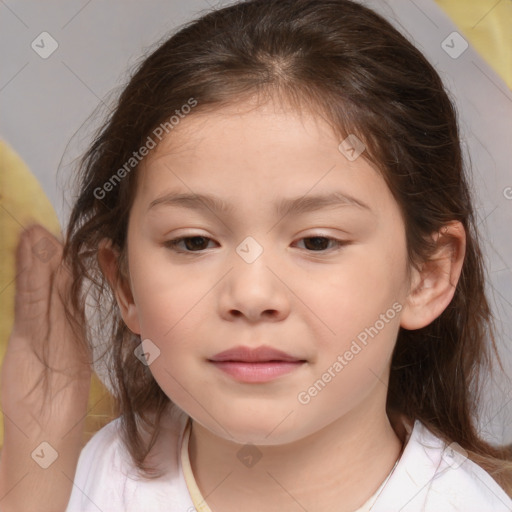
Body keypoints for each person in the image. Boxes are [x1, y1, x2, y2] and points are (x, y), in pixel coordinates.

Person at [7, 0, 512, 510]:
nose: (251, 295)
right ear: (125, 284)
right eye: (194, 242)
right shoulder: (83, 483)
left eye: (316, 241)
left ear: (427, 274)